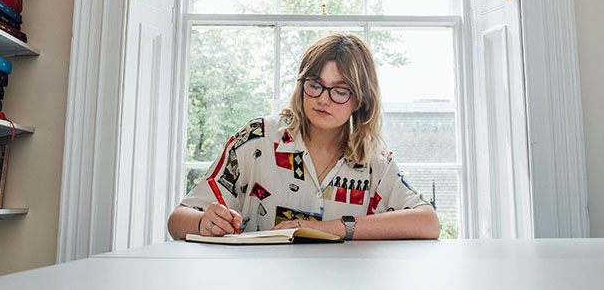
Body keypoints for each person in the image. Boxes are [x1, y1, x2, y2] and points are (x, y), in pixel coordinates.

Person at [168, 33, 440, 241]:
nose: (323, 99)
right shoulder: (256, 139)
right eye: (315, 85)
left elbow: (428, 222)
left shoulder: (372, 160)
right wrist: (203, 223)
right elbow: (178, 219)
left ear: (361, 100)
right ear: (302, 84)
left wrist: (327, 228)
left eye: (340, 90)